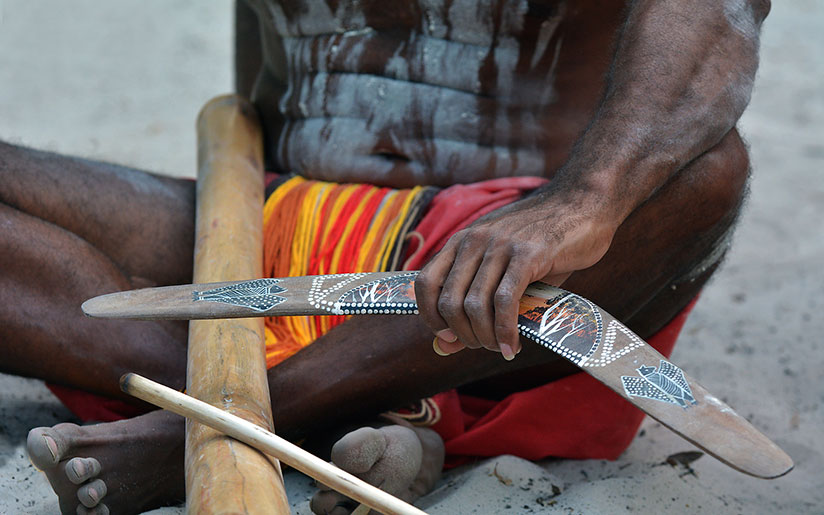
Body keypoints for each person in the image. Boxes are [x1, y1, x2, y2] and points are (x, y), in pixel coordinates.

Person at [0, 0, 769, 513]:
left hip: (519, 250)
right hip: (286, 218)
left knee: (709, 172)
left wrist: (582, 204)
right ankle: (351, 406)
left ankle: (205, 428)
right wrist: (247, 215)